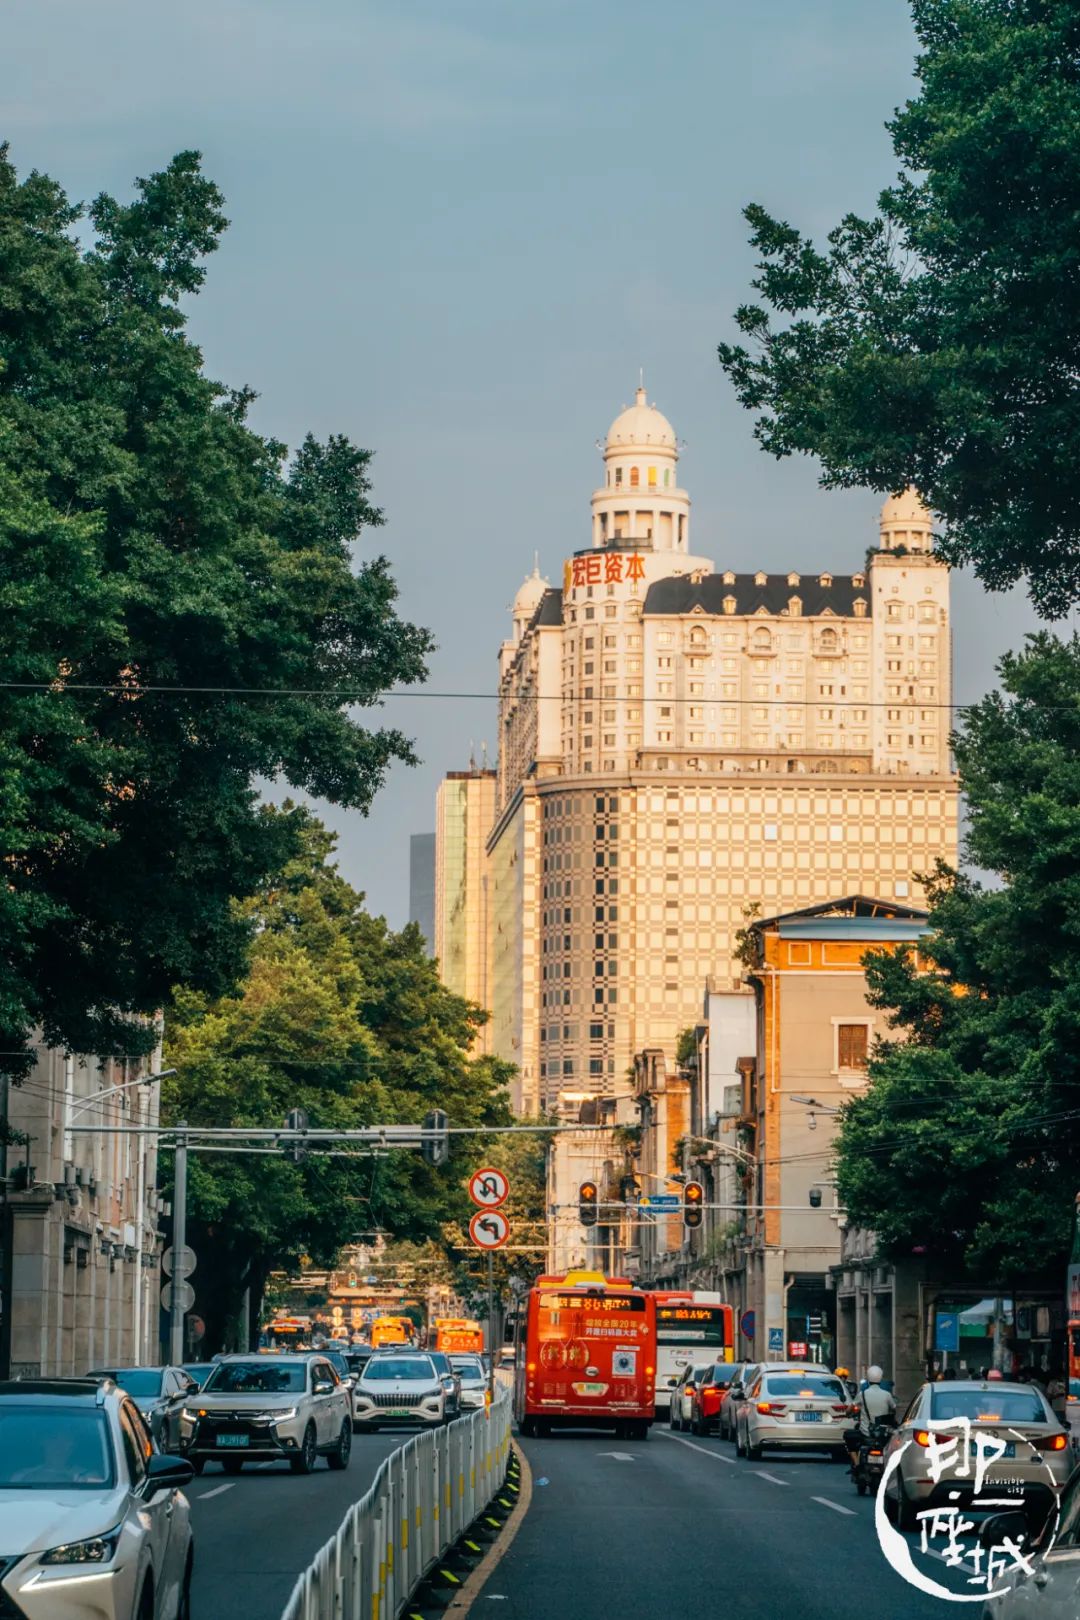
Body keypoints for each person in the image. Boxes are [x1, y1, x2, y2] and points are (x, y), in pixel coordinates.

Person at [845, 1365, 897, 1471]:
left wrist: (848, 1413)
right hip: (882, 1435)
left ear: (868, 1378)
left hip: (866, 1434)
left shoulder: (862, 1394)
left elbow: (850, 1408)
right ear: (880, 1378)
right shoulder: (887, 1395)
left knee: (848, 1438)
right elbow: (894, 1409)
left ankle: (857, 1464)